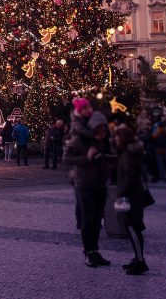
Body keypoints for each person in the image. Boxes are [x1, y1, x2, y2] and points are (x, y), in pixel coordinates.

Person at [64, 111, 112, 268]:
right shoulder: (79, 140)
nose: (102, 133)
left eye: (104, 130)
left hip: (100, 184)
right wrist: (87, 158)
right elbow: (66, 158)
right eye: (99, 130)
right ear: (93, 128)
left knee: (97, 220)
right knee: (88, 218)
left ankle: (95, 250)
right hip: (84, 184)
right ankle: (88, 252)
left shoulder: (103, 141)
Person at [113, 125, 149, 275]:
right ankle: (137, 258)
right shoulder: (129, 153)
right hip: (133, 196)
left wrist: (121, 191)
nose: (114, 139)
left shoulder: (128, 155)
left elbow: (130, 176)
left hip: (131, 197)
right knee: (132, 227)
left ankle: (140, 261)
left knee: (132, 228)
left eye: (116, 137)